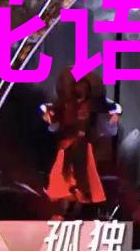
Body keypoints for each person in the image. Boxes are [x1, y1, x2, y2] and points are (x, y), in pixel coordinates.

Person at [40, 68, 120, 218]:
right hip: (66, 149)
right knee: (62, 184)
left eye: (83, 89)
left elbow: (108, 126)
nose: (80, 91)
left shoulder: (92, 109)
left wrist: (112, 119)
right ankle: (61, 213)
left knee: (84, 184)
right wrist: (49, 117)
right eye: (77, 88)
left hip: (83, 150)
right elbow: (52, 122)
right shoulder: (65, 106)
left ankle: (80, 211)